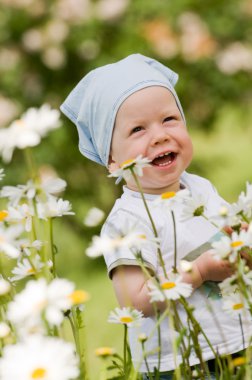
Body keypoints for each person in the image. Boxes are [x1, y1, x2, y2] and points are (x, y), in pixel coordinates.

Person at [60, 54, 252, 378]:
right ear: (111, 160)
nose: (160, 135)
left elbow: (222, 235)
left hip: (228, 338)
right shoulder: (127, 221)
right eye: (137, 129)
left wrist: (240, 245)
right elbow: (135, 300)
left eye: (169, 119)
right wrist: (201, 272)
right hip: (176, 360)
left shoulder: (199, 187)